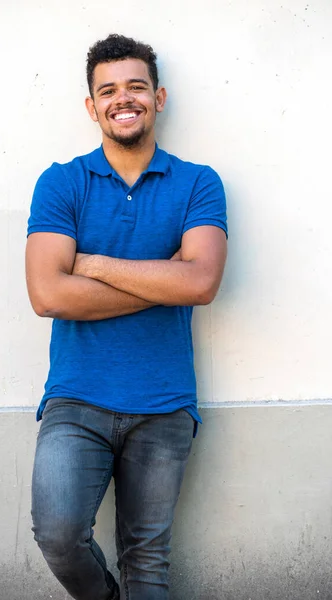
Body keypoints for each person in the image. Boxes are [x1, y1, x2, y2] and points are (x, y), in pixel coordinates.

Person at [26, 33, 227, 600]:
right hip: (76, 399)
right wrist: (166, 280)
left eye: (136, 86)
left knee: (148, 560)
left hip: (163, 404)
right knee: (58, 533)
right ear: (92, 107)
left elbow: (202, 282)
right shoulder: (62, 182)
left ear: (158, 98)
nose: (124, 98)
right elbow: (48, 296)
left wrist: (90, 265)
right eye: (108, 90)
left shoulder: (198, 183)